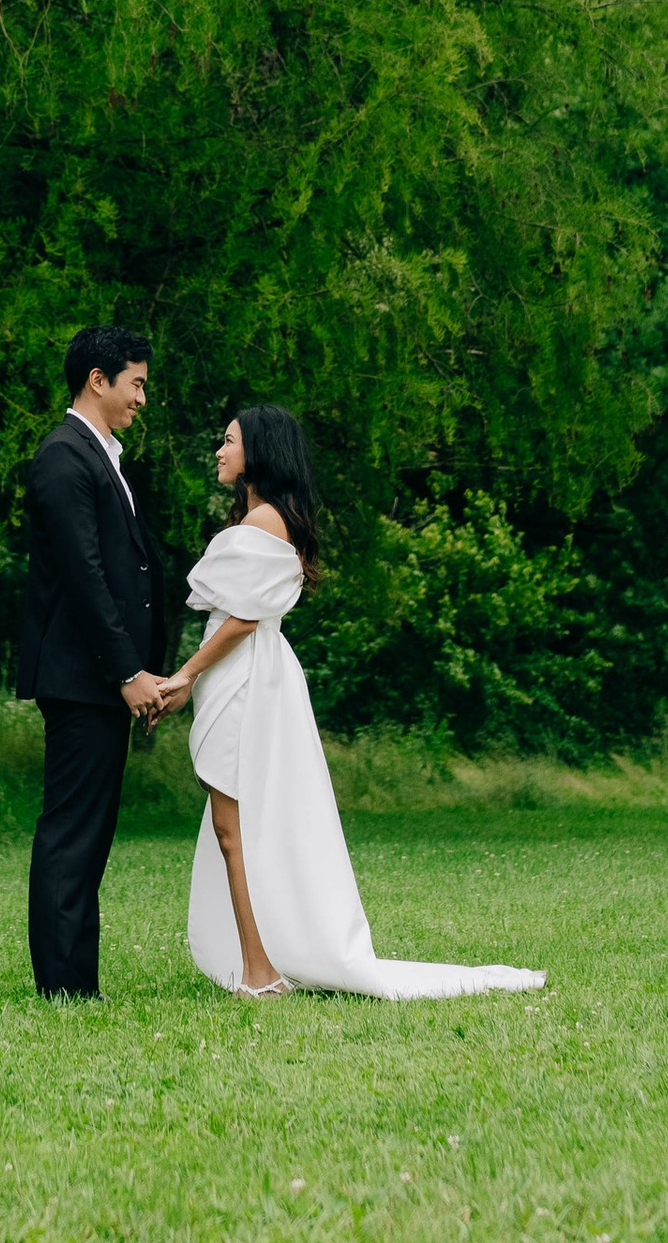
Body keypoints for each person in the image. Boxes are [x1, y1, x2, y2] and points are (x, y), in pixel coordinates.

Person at [158, 403, 546, 1003]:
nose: (220, 450)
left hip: (245, 677)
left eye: (229, 440)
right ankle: (260, 963)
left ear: (258, 451)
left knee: (233, 827)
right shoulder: (268, 518)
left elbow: (243, 619)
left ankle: (260, 971)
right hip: (249, 673)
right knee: (235, 825)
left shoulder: (262, 520)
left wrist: (185, 674)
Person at [19, 324, 167, 999]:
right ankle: (63, 987)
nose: (142, 398)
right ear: (97, 380)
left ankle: (79, 981)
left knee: (91, 833)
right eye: (136, 383)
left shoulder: (102, 456)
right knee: (71, 832)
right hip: (81, 678)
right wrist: (126, 672)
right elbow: (84, 575)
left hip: (98, 678)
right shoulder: (63, 456)